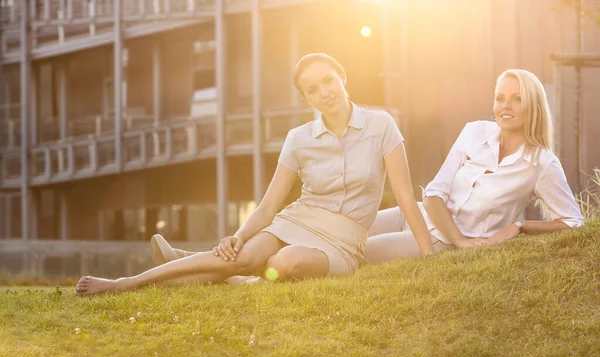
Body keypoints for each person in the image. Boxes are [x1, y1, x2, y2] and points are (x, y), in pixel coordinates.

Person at [75, 53, 433, 295]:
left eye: (328, 81)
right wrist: (237, 236)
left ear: (342, 77)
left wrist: (429, 255)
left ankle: (191, 262)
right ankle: (124, 284)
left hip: (345, 241)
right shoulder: (299, 139)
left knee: (285, 263)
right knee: (244, 256)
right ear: (306, 98)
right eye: (313, 89)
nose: (324, 92)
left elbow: (404, 198)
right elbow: (268, 207)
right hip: (297, 221)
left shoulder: (381, 124)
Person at [365, 69, 584, 264]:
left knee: (355, 251)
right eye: (500, 98)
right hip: (414, 214)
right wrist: (460, 241)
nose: (505, 106)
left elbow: (573, 222)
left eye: (517, 99)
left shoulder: (542, 163)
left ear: (533, 106)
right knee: (346, 231)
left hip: (438, 240)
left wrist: (520, 226)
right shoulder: (475, 131)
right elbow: (433, 195)